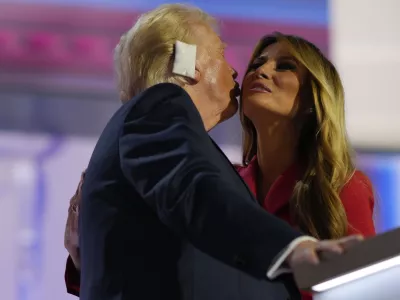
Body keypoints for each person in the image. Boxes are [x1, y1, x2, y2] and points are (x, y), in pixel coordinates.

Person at [64, 4, 364, 300]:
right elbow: (194, 192)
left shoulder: (336, 186)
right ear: (189, 63)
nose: (237, 70)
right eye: (221, 54)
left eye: (284, 66)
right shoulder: (161, 107)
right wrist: (292, 249)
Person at [236, 32, 376, 299]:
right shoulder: (222, 181)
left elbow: (363, 292)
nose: (261, 70)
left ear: (313, 101)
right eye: (256, 64)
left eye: (285, 66)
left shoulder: (343, 186)